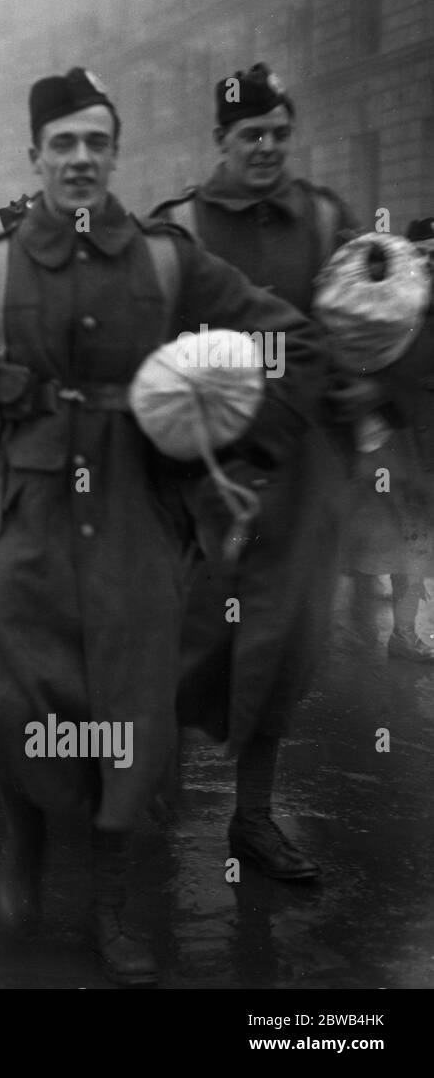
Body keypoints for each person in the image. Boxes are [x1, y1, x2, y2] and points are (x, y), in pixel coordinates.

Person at [0, 69, 322, 983]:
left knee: (131, 717)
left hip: (135, 520)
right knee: (16, 700)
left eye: (95, 142)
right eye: (62, 144)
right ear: (35, 157)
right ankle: (25, 844)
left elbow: (279, 336)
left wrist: (246, 430)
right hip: (19, 517)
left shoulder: (167, 262)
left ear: (115, 154)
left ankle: (114, 899)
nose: (79, 159)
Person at [152, 62, 357, 880]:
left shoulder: (325, 218)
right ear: (220, 142)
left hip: (304, 478)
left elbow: (361, 327)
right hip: (202, 474)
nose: (267, 148)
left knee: (283, 646)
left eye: (278, 132)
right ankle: (147, 798)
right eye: (250, 136)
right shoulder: (180, 229)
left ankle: (254, 818)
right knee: (184, 640)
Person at [340, 217, 434, 661]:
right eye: (426, 254)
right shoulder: (394, 302)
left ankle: (397, 631)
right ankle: (385, 632)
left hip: (410, 434)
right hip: (394, 437)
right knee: (391, 531)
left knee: (406, 533)